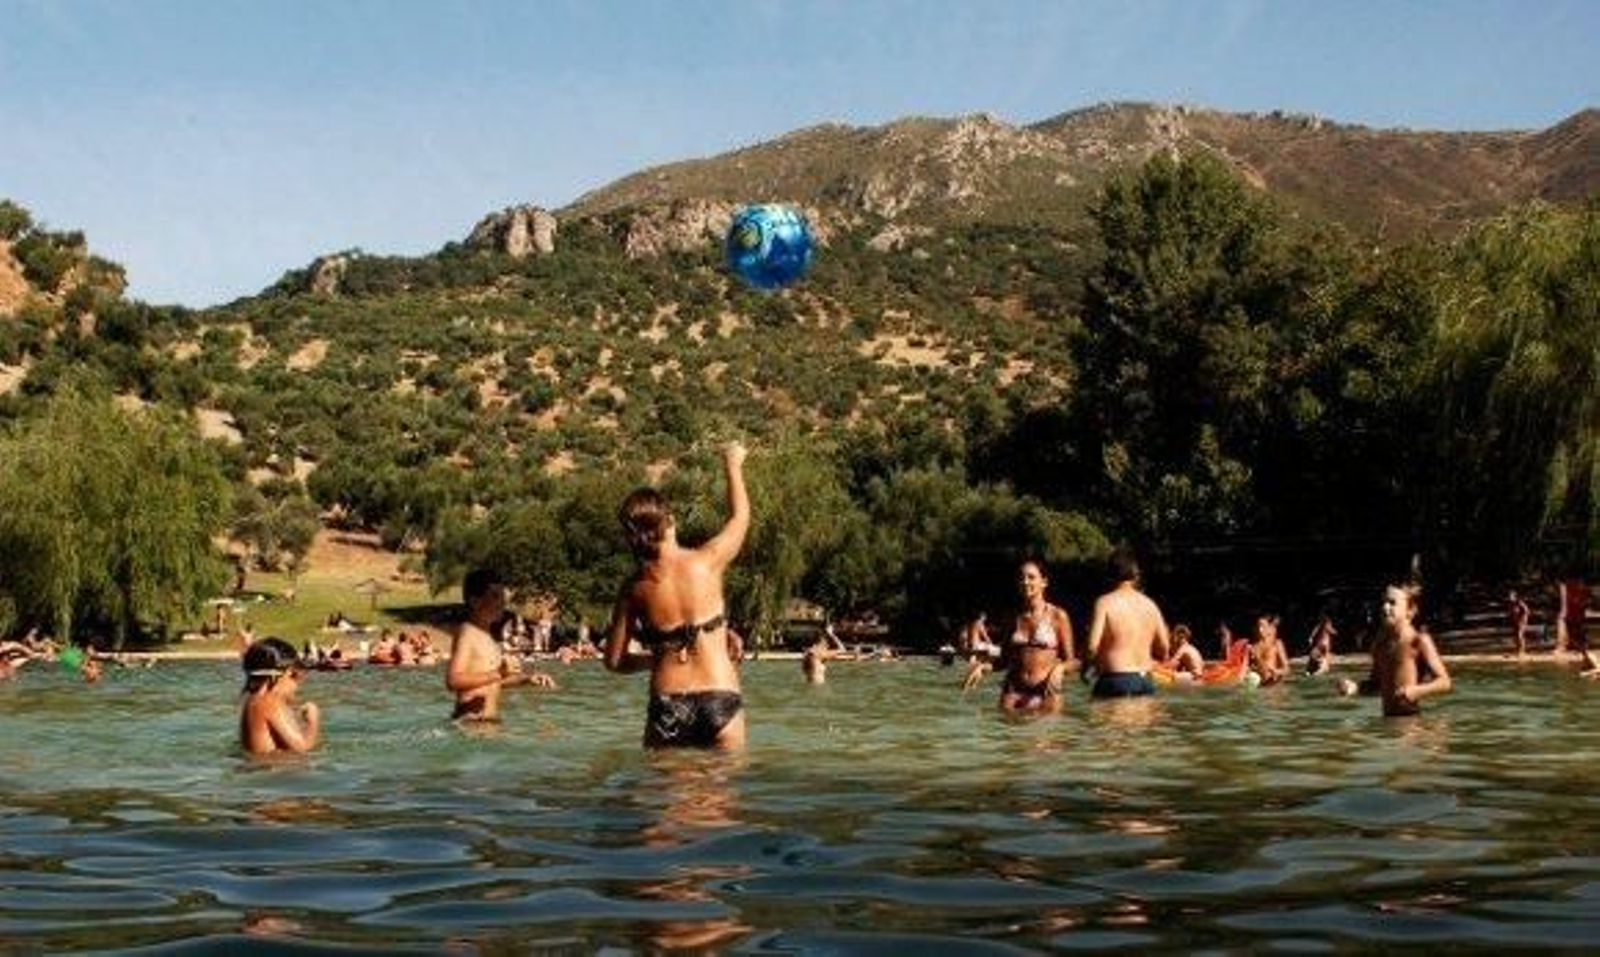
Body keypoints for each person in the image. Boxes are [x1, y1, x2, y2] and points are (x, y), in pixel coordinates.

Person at [605, 442, 750, 749]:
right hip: (720, 696)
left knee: (666, 797)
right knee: (722, 796)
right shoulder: (707, 561)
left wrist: (656, 657)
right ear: (669, 521)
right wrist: (732, 464)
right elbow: (740, 518)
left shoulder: (634, 588)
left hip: (668, 703)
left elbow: (614, 662)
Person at [964, 559, 1076, 714]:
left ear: (1044, 582)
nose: (1025, 582)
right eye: (1021, 578)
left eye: (1031, 577)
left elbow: (1074, 661)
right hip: (1013, 693)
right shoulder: (1012, 618)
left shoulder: (1058, 616)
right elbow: (1004, 660)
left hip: (1046, 694)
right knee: (1008, 737)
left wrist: (1061, 668)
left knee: (1047, 738)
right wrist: (983, 667)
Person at [446, 569, 557, 722]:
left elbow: (492, 683)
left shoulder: (491, 639)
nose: (503, 602)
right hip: (470, 723)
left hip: (487, 722)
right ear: (475, 601)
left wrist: (526, 679)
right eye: (495, 596)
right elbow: (453, 680)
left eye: (503, 597)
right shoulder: (468, 632)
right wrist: (498, 673)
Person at [1337, 581, 1452, 716]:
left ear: (1410, 611)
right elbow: (1377, 685)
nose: (1385, 607)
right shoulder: (1380, 644)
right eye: (1383, 602)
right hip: (1387, 721)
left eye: (1392, 603)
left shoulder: (1419, 640)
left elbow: (1444, 682)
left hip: (1411, 725)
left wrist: (1415, 691)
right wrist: (1356, 687)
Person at [1083, 548, 1169, 698]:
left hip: (1115, 680)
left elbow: (1092, 647)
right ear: (1135, 575)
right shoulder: (1150, 605)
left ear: (1110, 575)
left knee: (1105, 721)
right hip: (1145, 681)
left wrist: (1087, 669)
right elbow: (1165, 647)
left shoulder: (1104, 603)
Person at [239, 637, 321, 755]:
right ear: (282, 675)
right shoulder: (269, 702)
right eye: (295, 675)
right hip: (274, 772)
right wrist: (313, 720)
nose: (298, 684)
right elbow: (302, 748)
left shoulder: (253, 702)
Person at [1248, 613, 1291, 686]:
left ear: (1269, 627)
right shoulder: (1253, 647)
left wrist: (1276, 671)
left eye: (1263, 626)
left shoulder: (1277, 644)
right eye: (1258, 626)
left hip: (1275, 685)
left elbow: (1287, 669)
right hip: (1261, 685)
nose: (1260, 629)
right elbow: (1249, 668)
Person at [1559, 577, 1589, 658]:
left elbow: (1582, 605)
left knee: (1580, 633)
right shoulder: (1571, 592)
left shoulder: (1581, 592)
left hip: (1577, 617)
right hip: (1572, 617)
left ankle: (1582, 649)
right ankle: (1578, 648)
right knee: (1574, 633)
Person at [1506, 589, 1532, 659]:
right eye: (1509, 596)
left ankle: (1523, 652)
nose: (1510, 597)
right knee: (1516, 637)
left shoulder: (1520, 602)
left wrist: (1524, 620)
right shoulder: (1510, 604)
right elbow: (1511, 613)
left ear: (1515, 596)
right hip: (1515, 622)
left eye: (1511, 596)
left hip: (1522, 622)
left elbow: (1527, 611)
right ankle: (1518, 651)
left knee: (1520, 635)